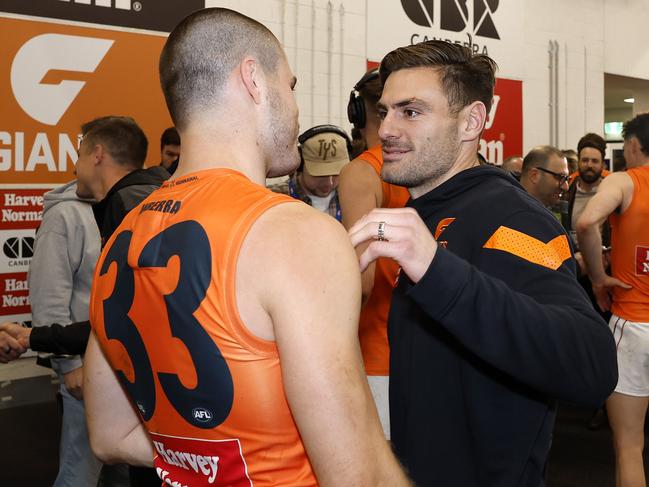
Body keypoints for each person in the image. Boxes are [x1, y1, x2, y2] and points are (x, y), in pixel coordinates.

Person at [83, 8, 410, 487]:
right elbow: (358, 476)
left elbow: (109, 436)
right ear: (254, 80)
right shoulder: (295, 233)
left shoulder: (123, 236)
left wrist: (216, 462)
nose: (296, 107)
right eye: (291, 85)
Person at [348, 39, 617, 486]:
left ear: (472, 121)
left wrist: (437, 270)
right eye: (386, 111)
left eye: (411, 112)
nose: (388, 129)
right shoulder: (424, 213)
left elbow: (591, 363)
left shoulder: (507, 218)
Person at [577, 112, 649, 487]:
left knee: (629, 447)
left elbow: (587, 222)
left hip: (635, 324)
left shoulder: (625, 180)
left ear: (633, 146)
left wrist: (599, 276)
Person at [338, 68, 410, 438]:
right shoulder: (428, 167)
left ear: (357, 112)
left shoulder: (361, 174)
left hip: (376, 353)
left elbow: (363, 281)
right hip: (424, 354)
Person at [27, 180, 108, 487]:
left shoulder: (131, 205)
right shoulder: (64, 216)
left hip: (127, 367)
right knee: (80, 472)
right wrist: (68, 362)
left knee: (125, 470)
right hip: (84, 365)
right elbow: (49, 294)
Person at [269, 124, 351, 221]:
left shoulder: (352, 197)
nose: (330, 182)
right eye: (321, 174)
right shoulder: (272, 199)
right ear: (300, 164)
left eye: (336, 174)